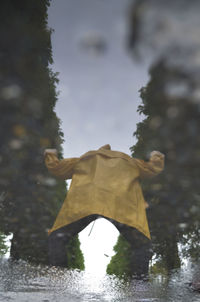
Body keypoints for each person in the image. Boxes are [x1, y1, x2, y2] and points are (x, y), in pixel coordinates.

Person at [44, 144, 164, 276]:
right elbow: (152, 169)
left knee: (57, 237)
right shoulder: (130, 161)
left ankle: (57, 279)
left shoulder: (85, 158)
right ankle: (139, 286)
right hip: (121, 206)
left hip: (86, 203)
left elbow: (57, 169)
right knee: (142, 244)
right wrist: (156, 155)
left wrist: (51, 153)